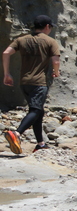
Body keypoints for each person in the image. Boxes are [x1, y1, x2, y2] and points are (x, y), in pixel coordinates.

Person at [3, 15, 61, 154]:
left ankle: (40, 143)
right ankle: (17, 133)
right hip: (39, 83)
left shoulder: (21, 39)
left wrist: (7, 74)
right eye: (50, 27)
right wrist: (56, 72)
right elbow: (56, 61)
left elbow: (6, 53)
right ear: (47, 26)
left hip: (24, 83)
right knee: (35, 110)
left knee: (38, 112)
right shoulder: (50, 41)